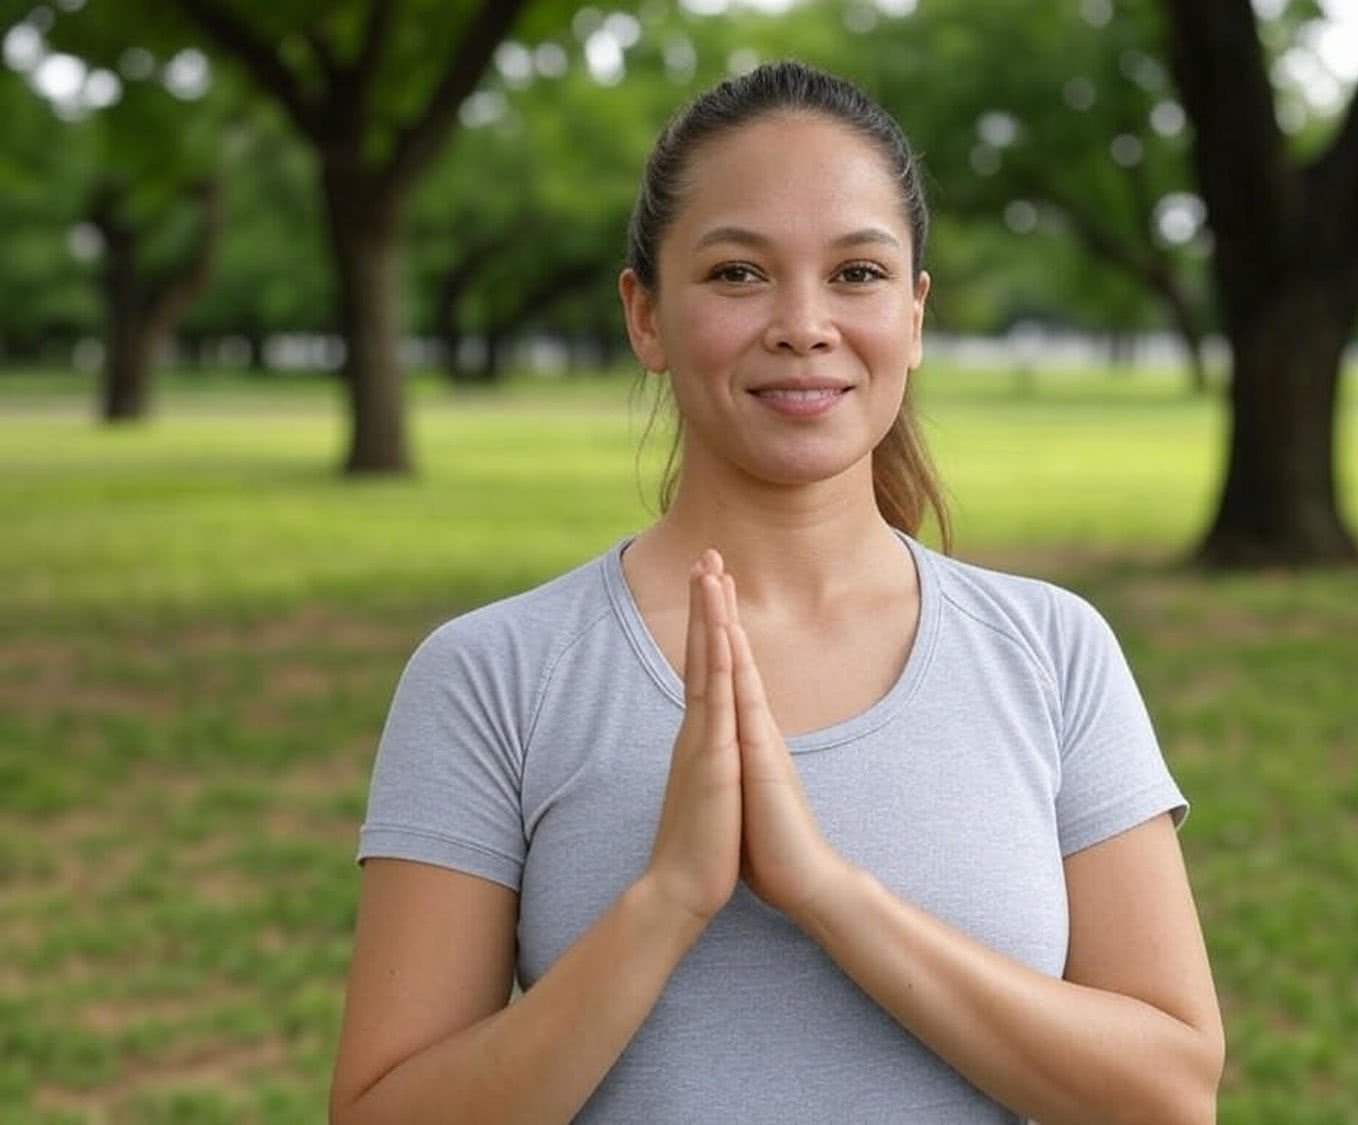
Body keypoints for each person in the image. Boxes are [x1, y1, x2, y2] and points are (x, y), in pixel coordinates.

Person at [330, 61, 1224, 1125]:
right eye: (739, 274)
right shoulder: (494, 675)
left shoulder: (1054, 651)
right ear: (646, 316)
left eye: (856, 274)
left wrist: (828, 896)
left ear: (915, 315)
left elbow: (1170, 1095)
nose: (804, 323)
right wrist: (666, 904)